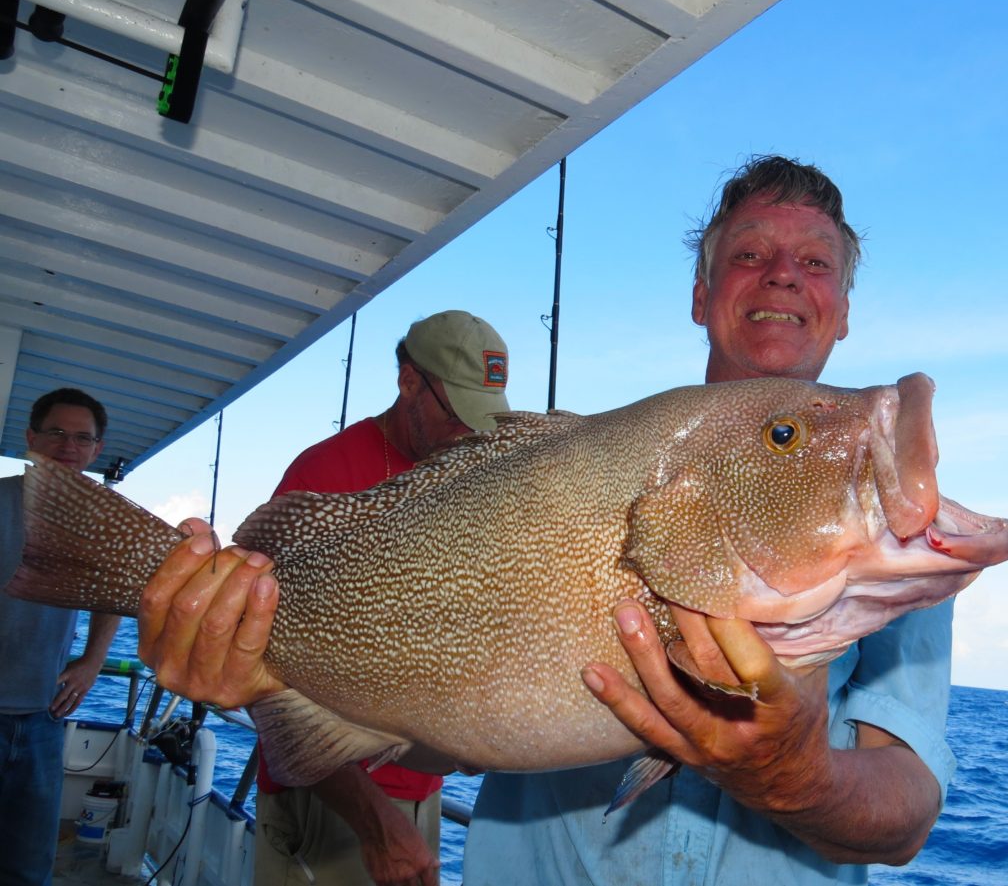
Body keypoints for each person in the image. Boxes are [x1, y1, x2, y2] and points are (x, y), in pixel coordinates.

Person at [133, 157, 954, 885]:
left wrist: (795, 772)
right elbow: (444, 731)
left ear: (841, 308)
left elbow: (908, 813)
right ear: (701, 295)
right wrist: (257, 661)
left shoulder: (893, 547)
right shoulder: (568, 477)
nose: (782, 275)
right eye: (750, 254)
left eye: (814, 262)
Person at [141, 310, 509, 886]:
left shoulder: (464, 479)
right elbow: (263, 673)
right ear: (409, 381)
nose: (471, 431)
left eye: (482, 415)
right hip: (332, 799)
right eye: (456, 409)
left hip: (421, 792)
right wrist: (377, 825)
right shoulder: (328, 469)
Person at [0, 387, 122, 886]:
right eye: (55, 433)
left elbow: (114, 592)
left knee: (29, 868)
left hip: (43, 715)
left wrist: (94, 661)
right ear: (30, 438)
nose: (67, 446)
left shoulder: (103, 520)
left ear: (96, 449)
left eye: (81, 438)